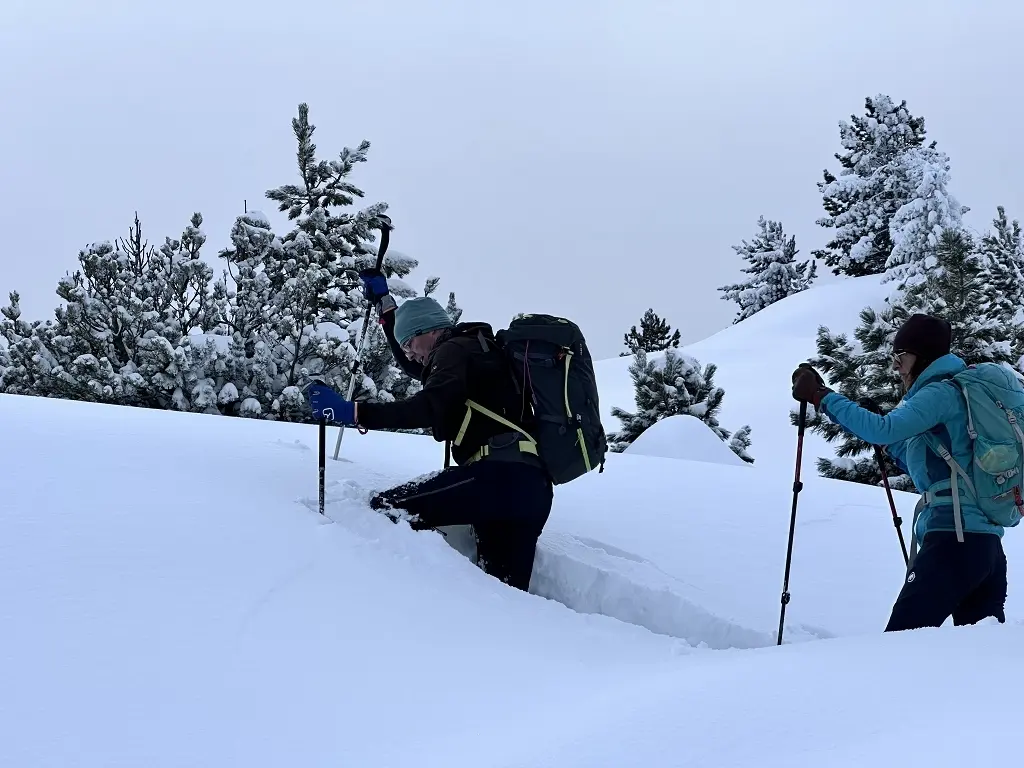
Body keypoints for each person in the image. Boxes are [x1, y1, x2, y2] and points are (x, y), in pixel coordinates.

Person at [306, 268, 553, 592]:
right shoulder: (478, 351)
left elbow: (428, 405)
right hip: (530, 489)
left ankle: (421, 604)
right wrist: (385, 305)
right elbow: (417, 365)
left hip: (496, 476)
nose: (409, 354)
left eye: (411, 343)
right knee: (504, 595)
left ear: (431, 331)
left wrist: (352, 412)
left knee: (386, 508)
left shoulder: (452, 350)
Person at [791, 312, 1008, 631]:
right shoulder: (961, 396)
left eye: (900, 356)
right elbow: (934, 463)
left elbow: (881, 430)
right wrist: (885, 439)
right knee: (973, 660)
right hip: (986, 548)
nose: (896, 365)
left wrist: (821, 397)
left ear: (922, 357)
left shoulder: (940, 393)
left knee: (899, 647)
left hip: (954, 542)